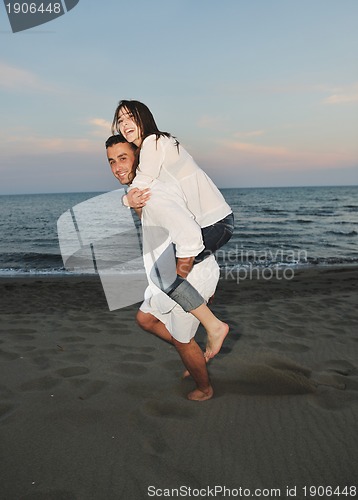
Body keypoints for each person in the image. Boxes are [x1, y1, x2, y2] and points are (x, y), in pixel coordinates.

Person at [111, 100, 234, 359]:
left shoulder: (154, 142)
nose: (124, 124)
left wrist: (125, 199)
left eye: (129, 117)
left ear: (143, 117)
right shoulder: (152, 149)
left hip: (215, 222)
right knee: (171, 276)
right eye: (120, 120)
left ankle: (214, 326)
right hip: (209, 223)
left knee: (168, 278)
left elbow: (141, 184)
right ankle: (203, 306)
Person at [106, 135, 222, 400]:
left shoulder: (152, 192)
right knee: (145, 319)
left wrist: (178, 284)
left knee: (182, 340)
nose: (116, 167)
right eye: (111, 161)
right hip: (172, 274)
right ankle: (193, 354)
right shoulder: (139, 191)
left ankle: (205, 388)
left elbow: (191, 238)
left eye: (123, 158)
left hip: (187, 275)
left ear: (139, 158)